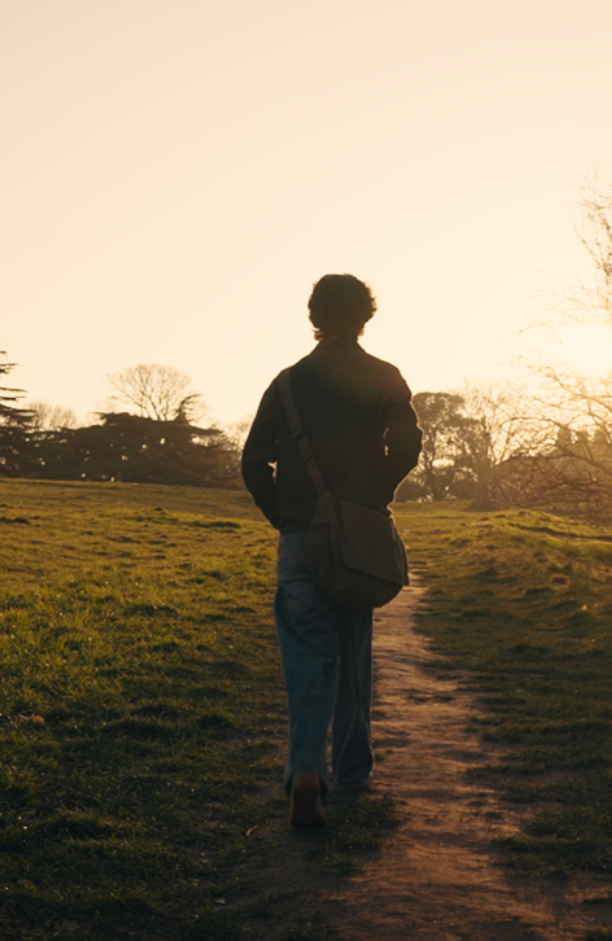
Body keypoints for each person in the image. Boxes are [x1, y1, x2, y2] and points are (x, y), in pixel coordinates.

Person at [241, 273, 422, 828]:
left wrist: (291, 519)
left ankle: (304, 772)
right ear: (366, 317)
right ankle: (352, 771)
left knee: (304, 656)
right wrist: (375, 494)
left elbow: (253, 463)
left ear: (315, 316)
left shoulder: (288, 382)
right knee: (353, 651)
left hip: (300, 539)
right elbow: (409, 444)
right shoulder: (385, 376)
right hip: (359, 535)